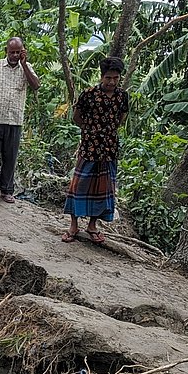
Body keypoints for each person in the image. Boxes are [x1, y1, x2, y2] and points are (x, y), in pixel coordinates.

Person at [62, 56, 129, 244]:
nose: (112, 82)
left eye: (115, 78)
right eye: (108, 78)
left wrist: (108, 131)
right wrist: (91, 131)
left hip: (109, 150)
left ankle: (92, 226)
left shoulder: (122, 96)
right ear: (101, 76)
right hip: (89, 148)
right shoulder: (88, 94)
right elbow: (76, 117)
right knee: (79, 185)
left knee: (103, 189)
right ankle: (73, 226)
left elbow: (121, 117)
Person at [0, 37, 39, 206]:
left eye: (18, 52)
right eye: (12, 52)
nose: (15, 55)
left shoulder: (27, 68)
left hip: (15, 120)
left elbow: (36, 85)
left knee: (10, 157)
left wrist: (24, 65)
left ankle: (6, 190)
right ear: (6, 51)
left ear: (22, 51)